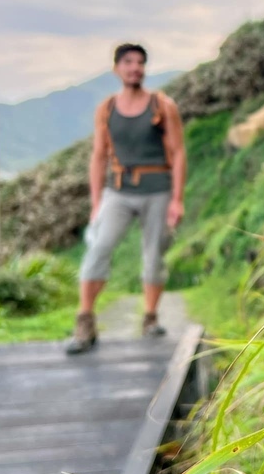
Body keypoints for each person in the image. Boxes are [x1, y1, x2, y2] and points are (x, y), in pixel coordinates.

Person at [65, 43, 186, 355]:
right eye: (129, 62)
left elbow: (178, 151)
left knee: (153, 255)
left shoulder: (162, 105)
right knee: (98, 249)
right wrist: (96, 203)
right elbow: (98, 156)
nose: (135, 68)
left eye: (140, 63)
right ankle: (85, 319)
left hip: (157, 188)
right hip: (118, 191)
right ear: (117, 69)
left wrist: (177, 199)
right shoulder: (106, 109)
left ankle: (150, 317)